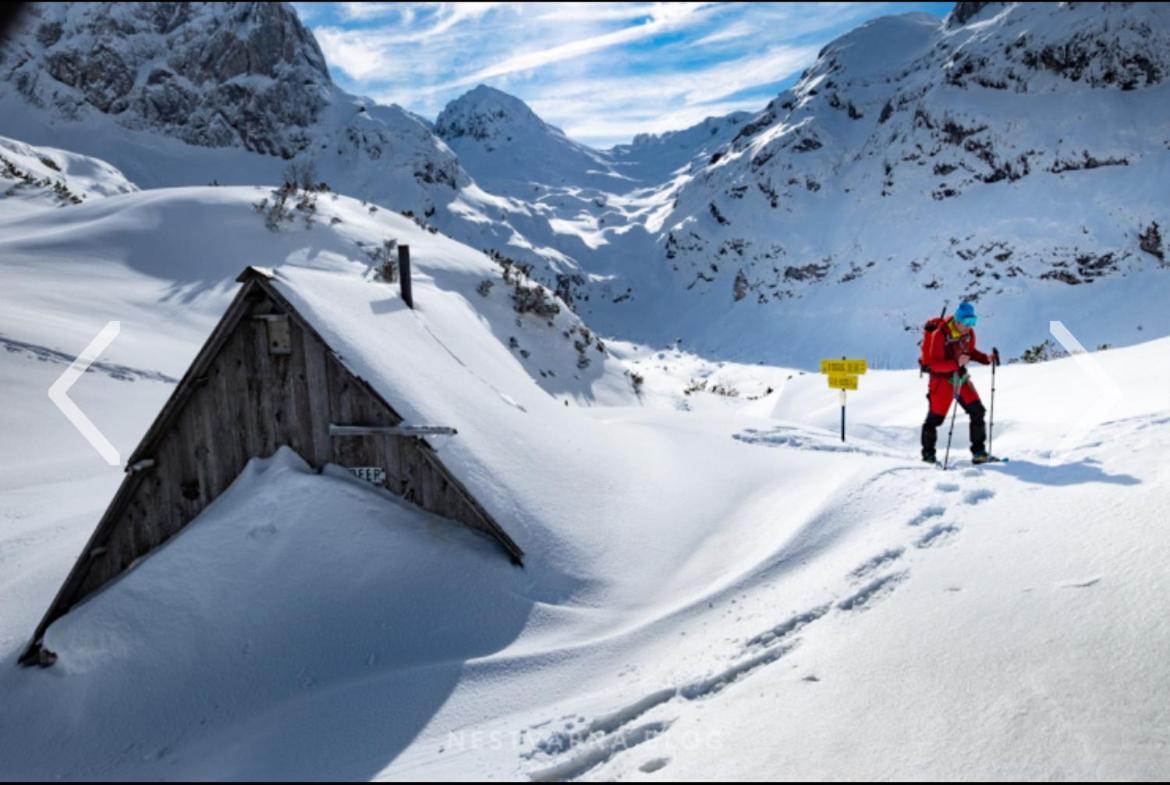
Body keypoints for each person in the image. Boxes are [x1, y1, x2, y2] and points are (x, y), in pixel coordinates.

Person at [920, 301, 998, 464]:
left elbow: (970, 352)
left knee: (978, 411)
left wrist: (986, 359)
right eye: (967, 322)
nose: (970, 326)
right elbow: (934, 364)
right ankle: (928, 455)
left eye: (973, 322)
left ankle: (979, 453)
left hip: (960, 377)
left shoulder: (969, 334)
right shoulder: (940, 335)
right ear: (957, 320)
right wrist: (956, 363)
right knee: (935, 419)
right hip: (941, 381)